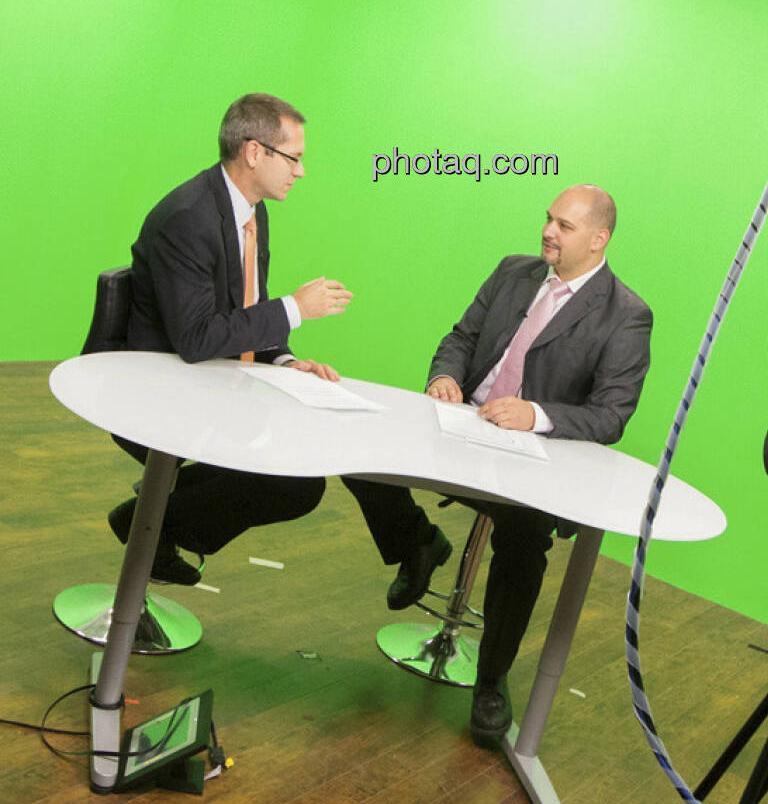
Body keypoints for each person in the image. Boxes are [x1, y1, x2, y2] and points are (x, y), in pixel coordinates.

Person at [110, 92, 449, 590]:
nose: (301, 171)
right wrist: (295, 308)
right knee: (295, 484)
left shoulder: (250, 210)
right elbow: (197, 338)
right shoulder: (187, 218)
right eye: (294, 158)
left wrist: (286, 361)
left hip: (220, 374)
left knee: (336, 417)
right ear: (254, 152)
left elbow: (243, 308)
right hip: (170, 387)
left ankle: (414, 539)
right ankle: (151, 523)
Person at [377, 184, 652, 744]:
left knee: (525, 540)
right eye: (549, 219)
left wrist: (536, 415)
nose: (548, 232)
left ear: (599, 239)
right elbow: (461, 337)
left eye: (565, 226)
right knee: (365, 456)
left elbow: (611, 415)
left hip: (533, 461)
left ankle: (491, 679)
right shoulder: (513, 271)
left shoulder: (626, 315)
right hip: (461, 426)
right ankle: (418, 543)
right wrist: (445, 377)